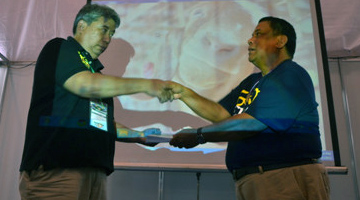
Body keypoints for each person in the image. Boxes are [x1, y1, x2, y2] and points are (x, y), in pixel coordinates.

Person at [19, 4, 172, 200]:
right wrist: (148, 85)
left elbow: (101, 123)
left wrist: (139, 135)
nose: (108, 39)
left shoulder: (96, 74)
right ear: (82, 26)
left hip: (94, 174)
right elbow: (84, 84)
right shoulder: (60, 48)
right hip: (57, 173)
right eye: (104, 29)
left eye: (112, 33)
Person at [168, 16, 330, 200]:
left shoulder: (289, 74)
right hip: (255, 180)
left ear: (280, 41)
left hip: (283, 178)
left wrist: (199, 135)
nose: (250, 40)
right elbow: (222, 115)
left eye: (259, 34)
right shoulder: (253, 81)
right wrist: (183, 93)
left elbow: (251, 124)